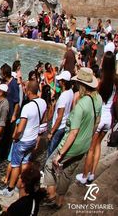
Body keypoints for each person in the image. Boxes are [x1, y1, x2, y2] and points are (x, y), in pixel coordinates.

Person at [43, 68, 103, 208]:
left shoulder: (81, 105)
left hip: (72, 145)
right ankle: (59, 201)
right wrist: (87, 136)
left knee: (49, 165)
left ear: (81, 85)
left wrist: (60, 154)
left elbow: (73, 133)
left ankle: (52, 196)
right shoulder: (98, 99)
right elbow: (97, 122)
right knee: (67, 173)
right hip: (85, 144)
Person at [0, 80, 46, 198]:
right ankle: (21, 183)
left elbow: (20, 128)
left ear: (29, 92)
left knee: (15, 165)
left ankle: (10, 189)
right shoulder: (43, 102)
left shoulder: (27, 107)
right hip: (33, 139)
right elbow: (43, 120)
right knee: (24, 163)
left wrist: (14, 137)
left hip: (23, 140)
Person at [76, 51, 116, 184]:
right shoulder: (116, 80)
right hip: (109, 118)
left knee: (91, 148)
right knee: (98, 145)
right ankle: (92, 173)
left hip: (99, 117)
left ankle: (84, 176)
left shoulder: (101, 81)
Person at [47, 70, 73, 157]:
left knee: (51, 149)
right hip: (64, 125)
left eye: (60, 80)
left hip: (58, 127)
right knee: (56, 148)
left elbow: (59, 117)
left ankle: (46, 169)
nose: (58, 82)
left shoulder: (63, 97)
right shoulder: (71, 92)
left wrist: (51, 132)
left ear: (64, 82)